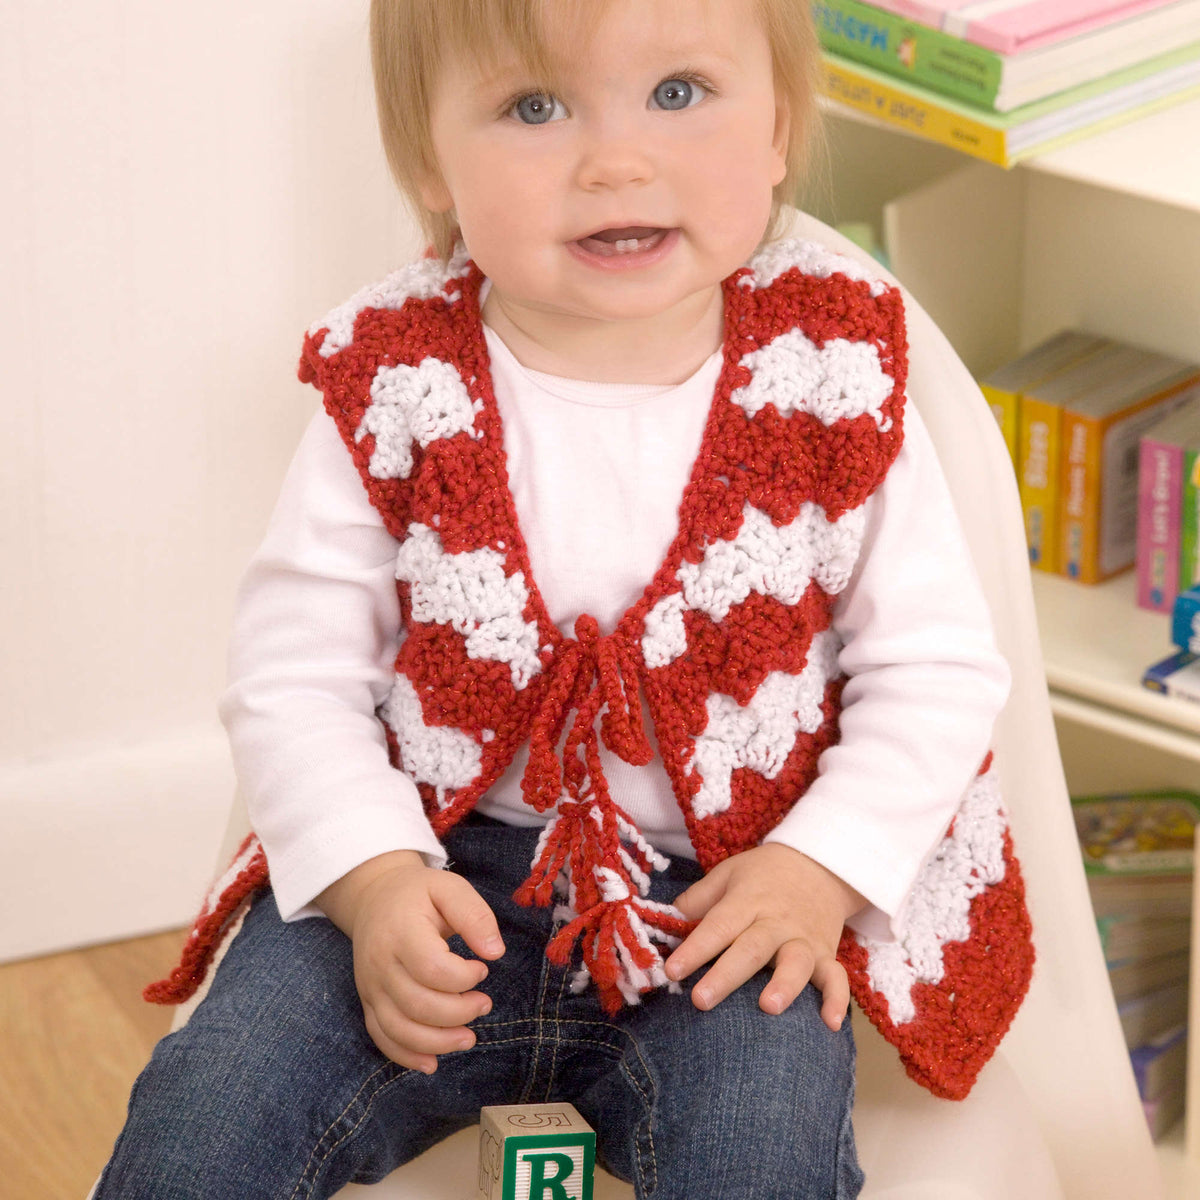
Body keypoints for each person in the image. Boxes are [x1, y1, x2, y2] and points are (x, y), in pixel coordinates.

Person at [95, 1, 1034, 1196]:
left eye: (681, 92)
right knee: (209, 1111)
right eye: (535, 107)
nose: (616, 160)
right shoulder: (396, 381)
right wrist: (371, 879)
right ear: (427, 162)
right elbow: (294, 677)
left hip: (719, 905)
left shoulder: (832, 373)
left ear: (782, 127)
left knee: (764, 1152)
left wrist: (819, 869)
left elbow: (936, 673)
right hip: (436, 876)